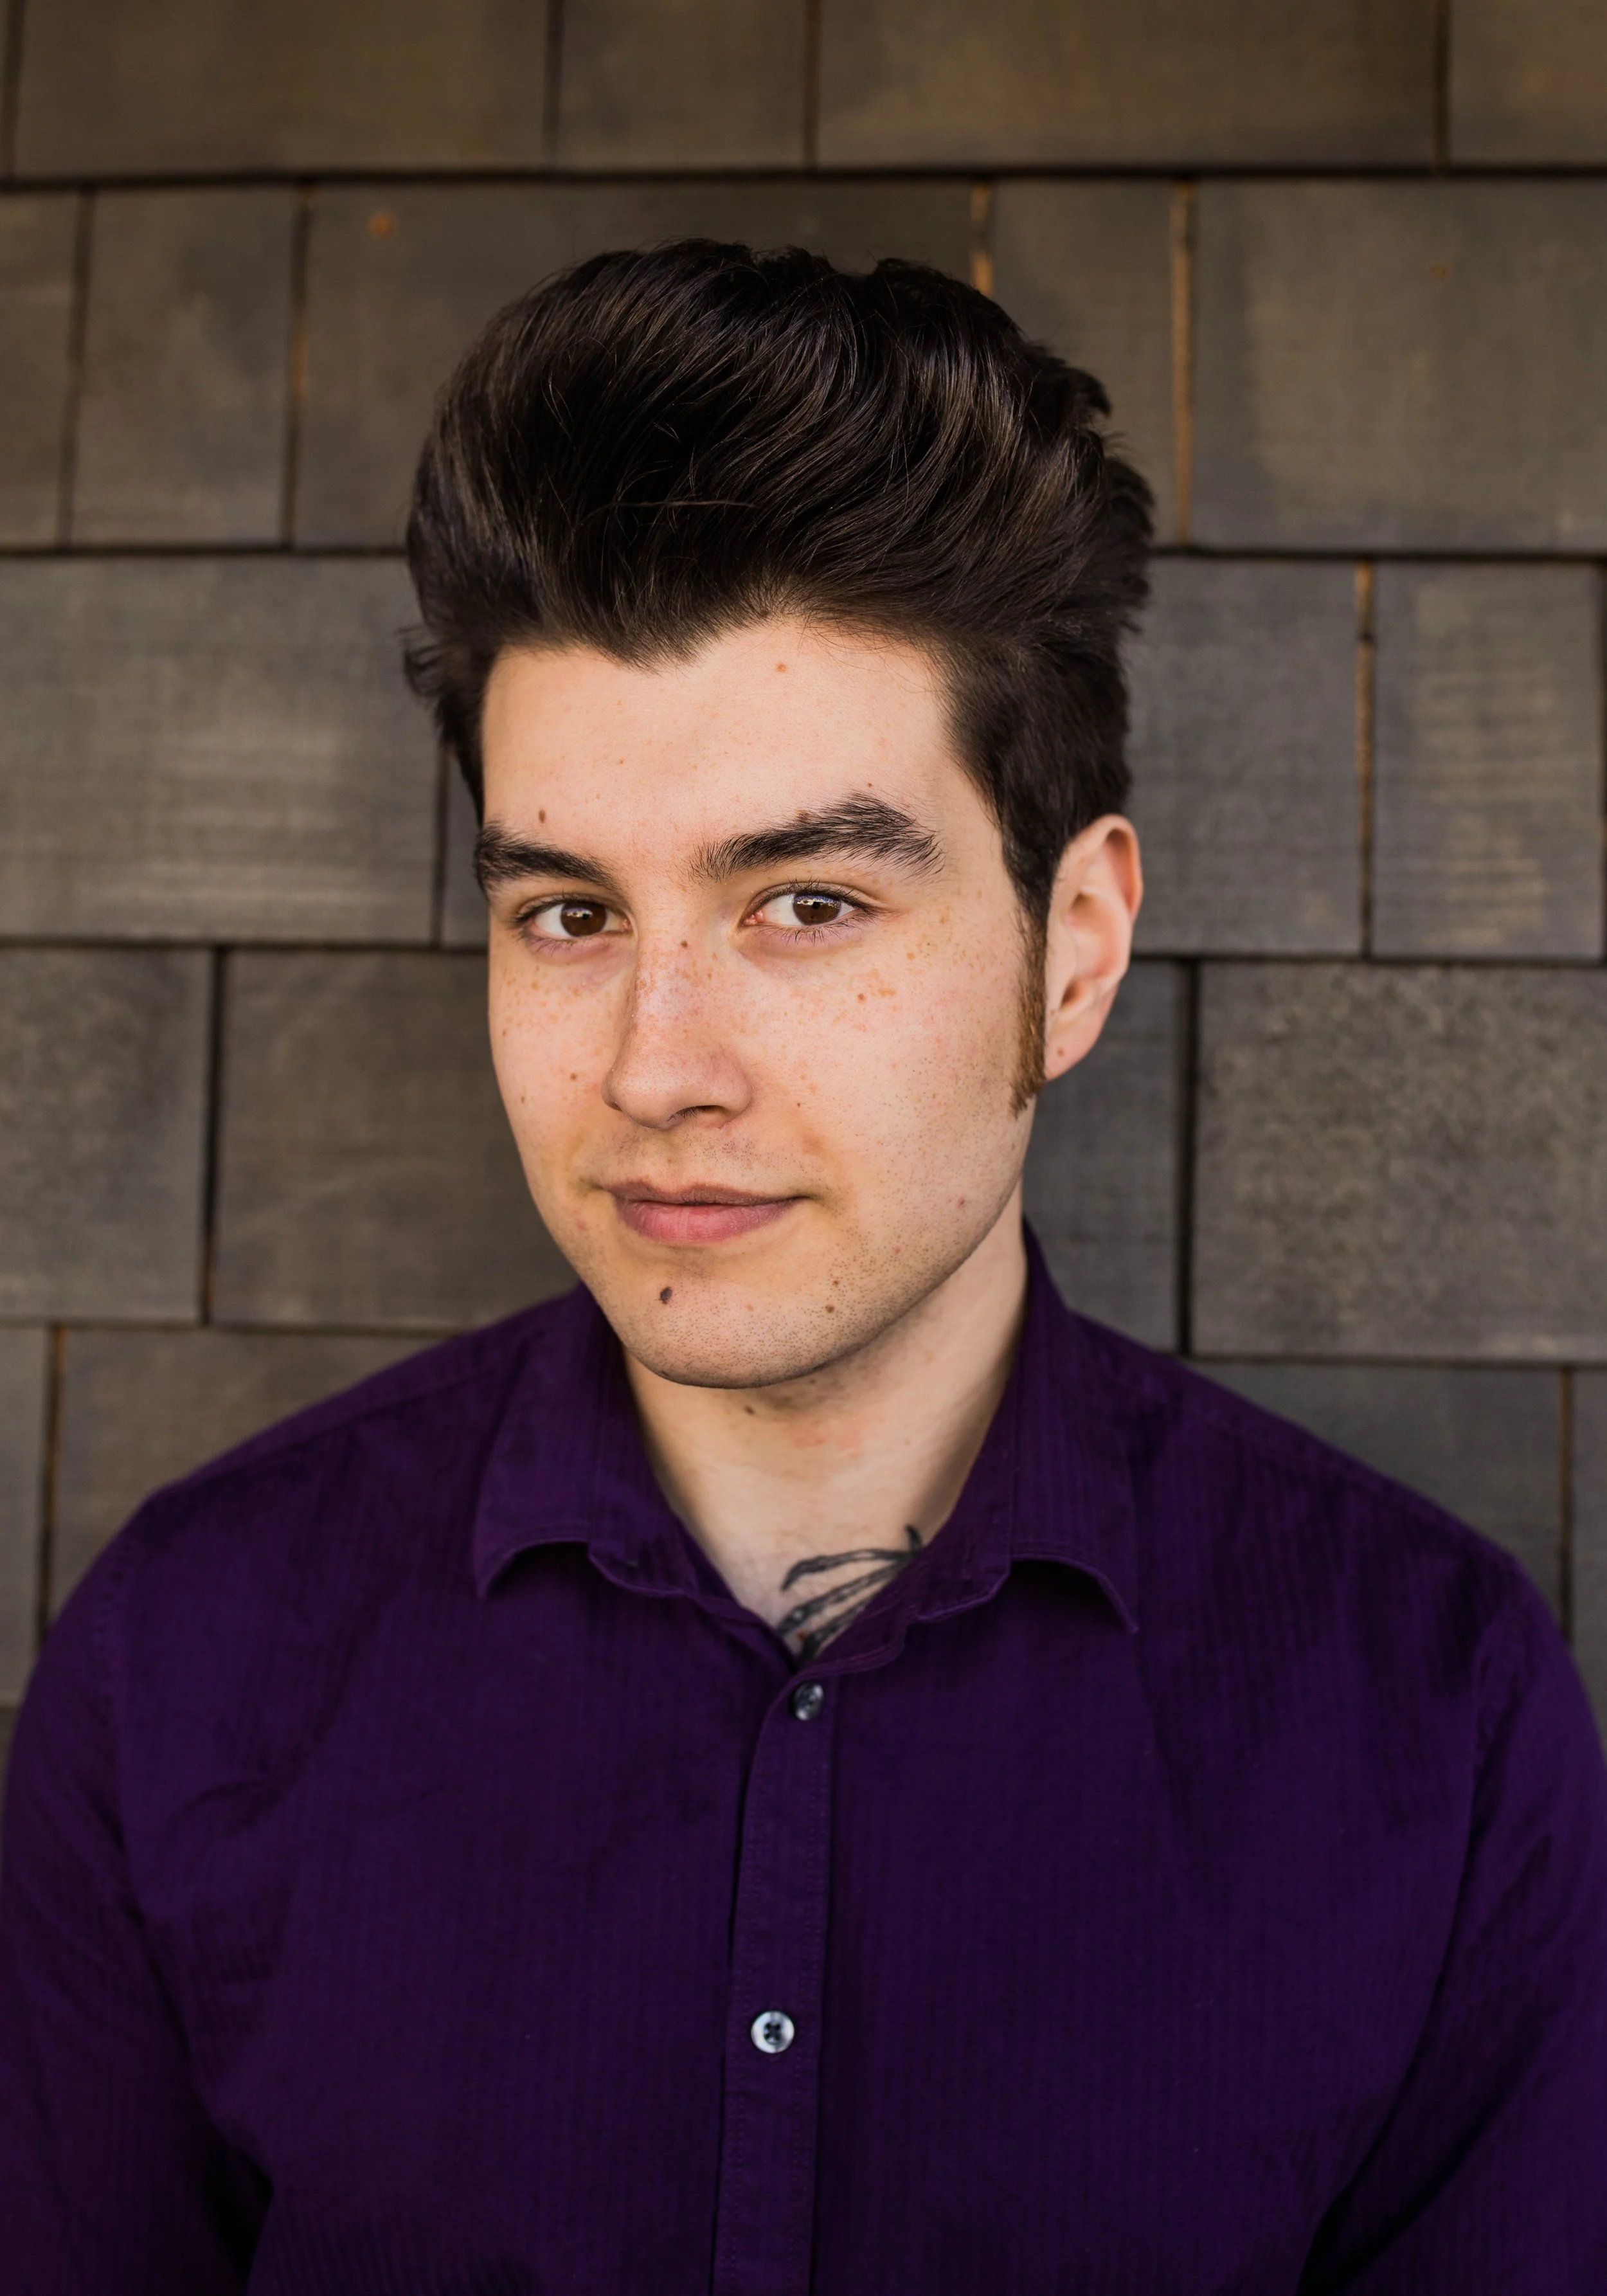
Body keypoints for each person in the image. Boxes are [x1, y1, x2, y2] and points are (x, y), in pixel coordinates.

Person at [2, 242, 1604, 2294]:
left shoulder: (1429, 1713)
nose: (653, 1069)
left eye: (808, 904)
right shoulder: (185, 1661)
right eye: (569, 914)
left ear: (1073, 953)